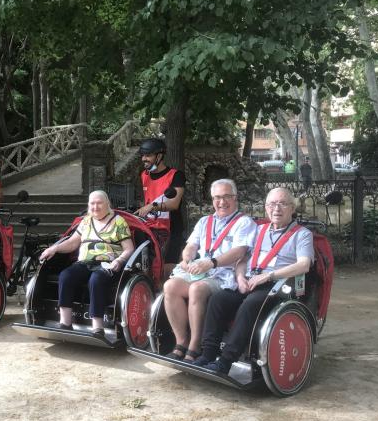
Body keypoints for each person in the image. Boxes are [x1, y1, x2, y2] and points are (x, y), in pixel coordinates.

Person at [194, 187, 313, 374]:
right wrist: (240, 277)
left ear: (292, 208)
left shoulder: (302, 234)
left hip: (277, 285)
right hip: (249, 280)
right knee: (219, 299)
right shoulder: (259, 230)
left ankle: (225, 361)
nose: (277, 208)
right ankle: (208, 353)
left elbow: (304, 265)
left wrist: (269, 275)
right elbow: (242, 259)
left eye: (282, 203)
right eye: (272, 204)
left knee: (250, 304)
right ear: (266, 207)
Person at [161, 179, 256, 362]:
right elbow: (191, 245)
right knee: (170, 286)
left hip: (225, 274)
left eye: (227, 196)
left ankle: (195, 346)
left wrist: (211, 263)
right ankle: (181, 342)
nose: (222, 202)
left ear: (235, 198)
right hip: (200, 270)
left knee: (197, 288)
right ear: (212, 200)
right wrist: (187, 258)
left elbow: (239, 251)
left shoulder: (244, 222)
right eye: (217, 197)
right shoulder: (205, 221)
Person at [39, 190, 135, 338]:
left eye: (99, 203)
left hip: (107, 263)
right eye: (92, 203)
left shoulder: (118, 221)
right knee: (65, 276)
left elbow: (129, 248)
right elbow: (72, 243)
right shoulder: (85, 221)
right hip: (84, 262)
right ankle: (65, 323)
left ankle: (98, 327)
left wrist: (119, 260)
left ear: (107, 204)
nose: (95, 206)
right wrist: (55, 248)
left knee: (96, 280)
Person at [135, 138, 185, 269]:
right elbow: (145, 200)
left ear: (159, 156)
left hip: (171, 228)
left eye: (148, 155)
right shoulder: (144, 175)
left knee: (167, 268)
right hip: (149, 227)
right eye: (143, 155)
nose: (144, 159)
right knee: (146, 265)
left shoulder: (176, 175)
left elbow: (174, 204)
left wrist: (152, 206)